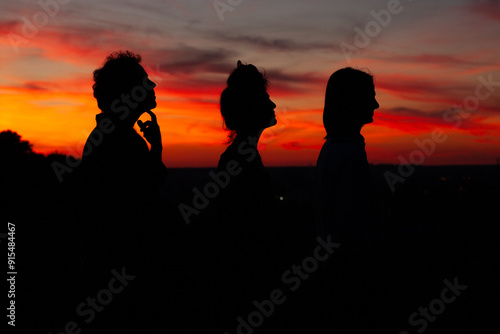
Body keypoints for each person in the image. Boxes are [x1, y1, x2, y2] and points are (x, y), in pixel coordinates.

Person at [211, 60, 280, 332]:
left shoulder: (240, 157)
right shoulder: (239, 161)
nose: (273, 106)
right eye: (266, 99)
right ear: (251, 107)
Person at [313, 67, 381, 333]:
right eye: (370, 96)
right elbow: (353, 231)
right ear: (352, 101)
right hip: (350, 285)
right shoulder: (348, 155)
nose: (375, 104)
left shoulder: (333, 149)